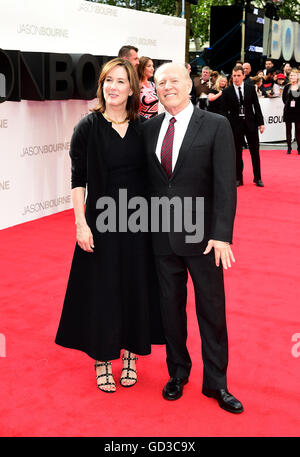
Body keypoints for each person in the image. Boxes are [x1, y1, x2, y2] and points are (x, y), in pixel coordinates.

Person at [55, 58, 164, 393]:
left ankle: (130, 354)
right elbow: (78, 181)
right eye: (108, 81)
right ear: (102, 86)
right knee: (102, 292)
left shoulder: (145, 129)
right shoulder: (87, 127)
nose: (113, 87)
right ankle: (103, 359)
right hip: (100, 224)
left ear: (132, 88)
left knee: (136, 287)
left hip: (138, 225)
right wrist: (80, 224)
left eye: (120, 81)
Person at [142, 62, 243, 414]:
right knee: (170, 311)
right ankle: (177, 373)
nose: (167, 85)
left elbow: (224, 185)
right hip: (161, 239)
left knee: (211, 312)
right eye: (160, 81)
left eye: (174, 80)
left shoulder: (215, 125)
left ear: (190, 84)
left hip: (204, 241)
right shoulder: (149, 128)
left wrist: (221, 235)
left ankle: (217, 383)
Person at [221, 65, 265, 187]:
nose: (236, 78)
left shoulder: (251, 88)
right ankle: (238, 178)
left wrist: (261, 123)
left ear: (243, 76)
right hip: (235, 126)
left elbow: (256, 106)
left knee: (255, 152)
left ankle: (258, 178)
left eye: (238, 75)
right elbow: (223, 111)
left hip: (251, 124)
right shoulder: (227, 91)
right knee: (237, 153)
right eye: (234, 76)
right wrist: (228, 125)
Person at [282, 68, 300, 154]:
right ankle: (289, 148)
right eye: (291, 75)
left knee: (298, 130)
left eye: (294, 75)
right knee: (288, 130)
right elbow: (283, 99)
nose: (292, 77)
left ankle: (299, 148)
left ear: (298, 76)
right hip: (288, 111)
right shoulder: (287, 87)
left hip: (298, 111)